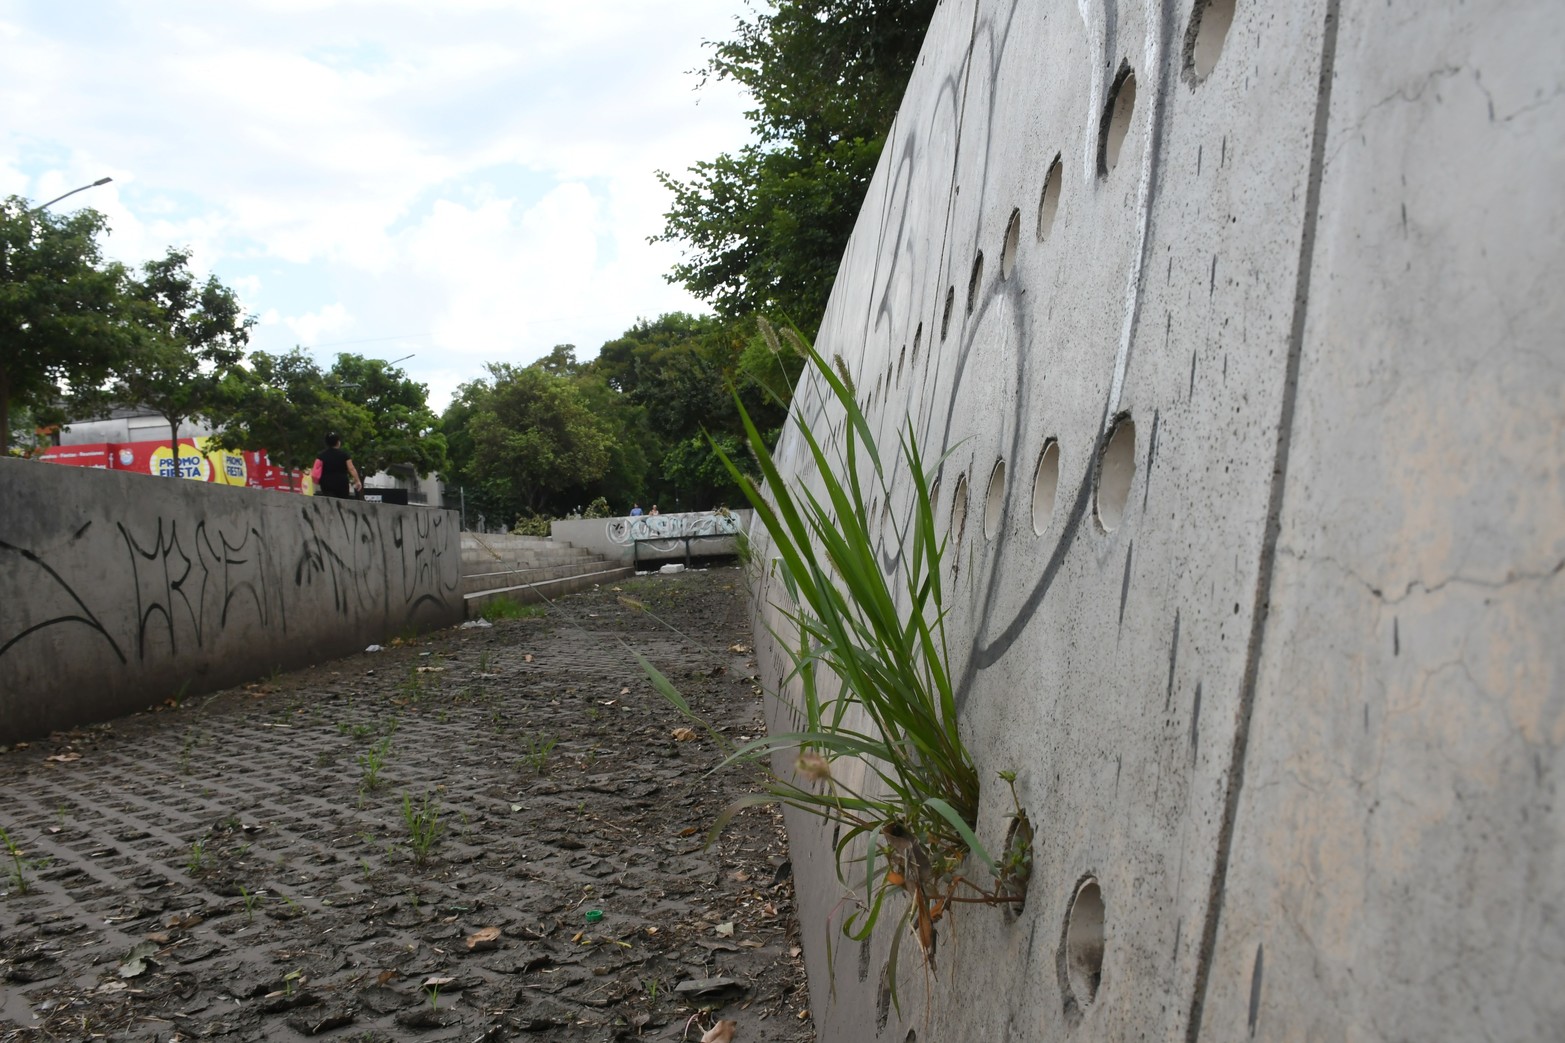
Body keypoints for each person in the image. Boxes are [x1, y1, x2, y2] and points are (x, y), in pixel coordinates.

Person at [314, 433, 362, 499]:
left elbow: (315, 470)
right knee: (342, 504)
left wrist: (316, 481)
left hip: (326, 483)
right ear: (338, 442)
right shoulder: (344, 455)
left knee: (330, 503)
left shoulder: (321, 456)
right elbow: (351, 468)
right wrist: (357, 480)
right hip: (342, 483)